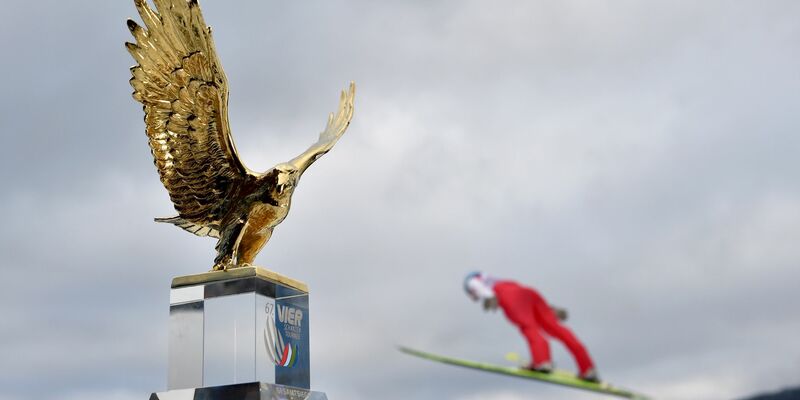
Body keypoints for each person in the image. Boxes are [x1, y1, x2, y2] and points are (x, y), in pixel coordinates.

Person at [464, 271, 599, 382]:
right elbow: (523, 297)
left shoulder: (472, 280)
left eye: (472, 296)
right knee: (557, 329)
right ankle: (588, 369)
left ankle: (542, 362)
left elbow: (477, 286)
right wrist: (549, 310)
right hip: (529, 293)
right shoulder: (494, 278)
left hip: (510, 297)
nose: (474, 298)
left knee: (528, 327)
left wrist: (489, 297)